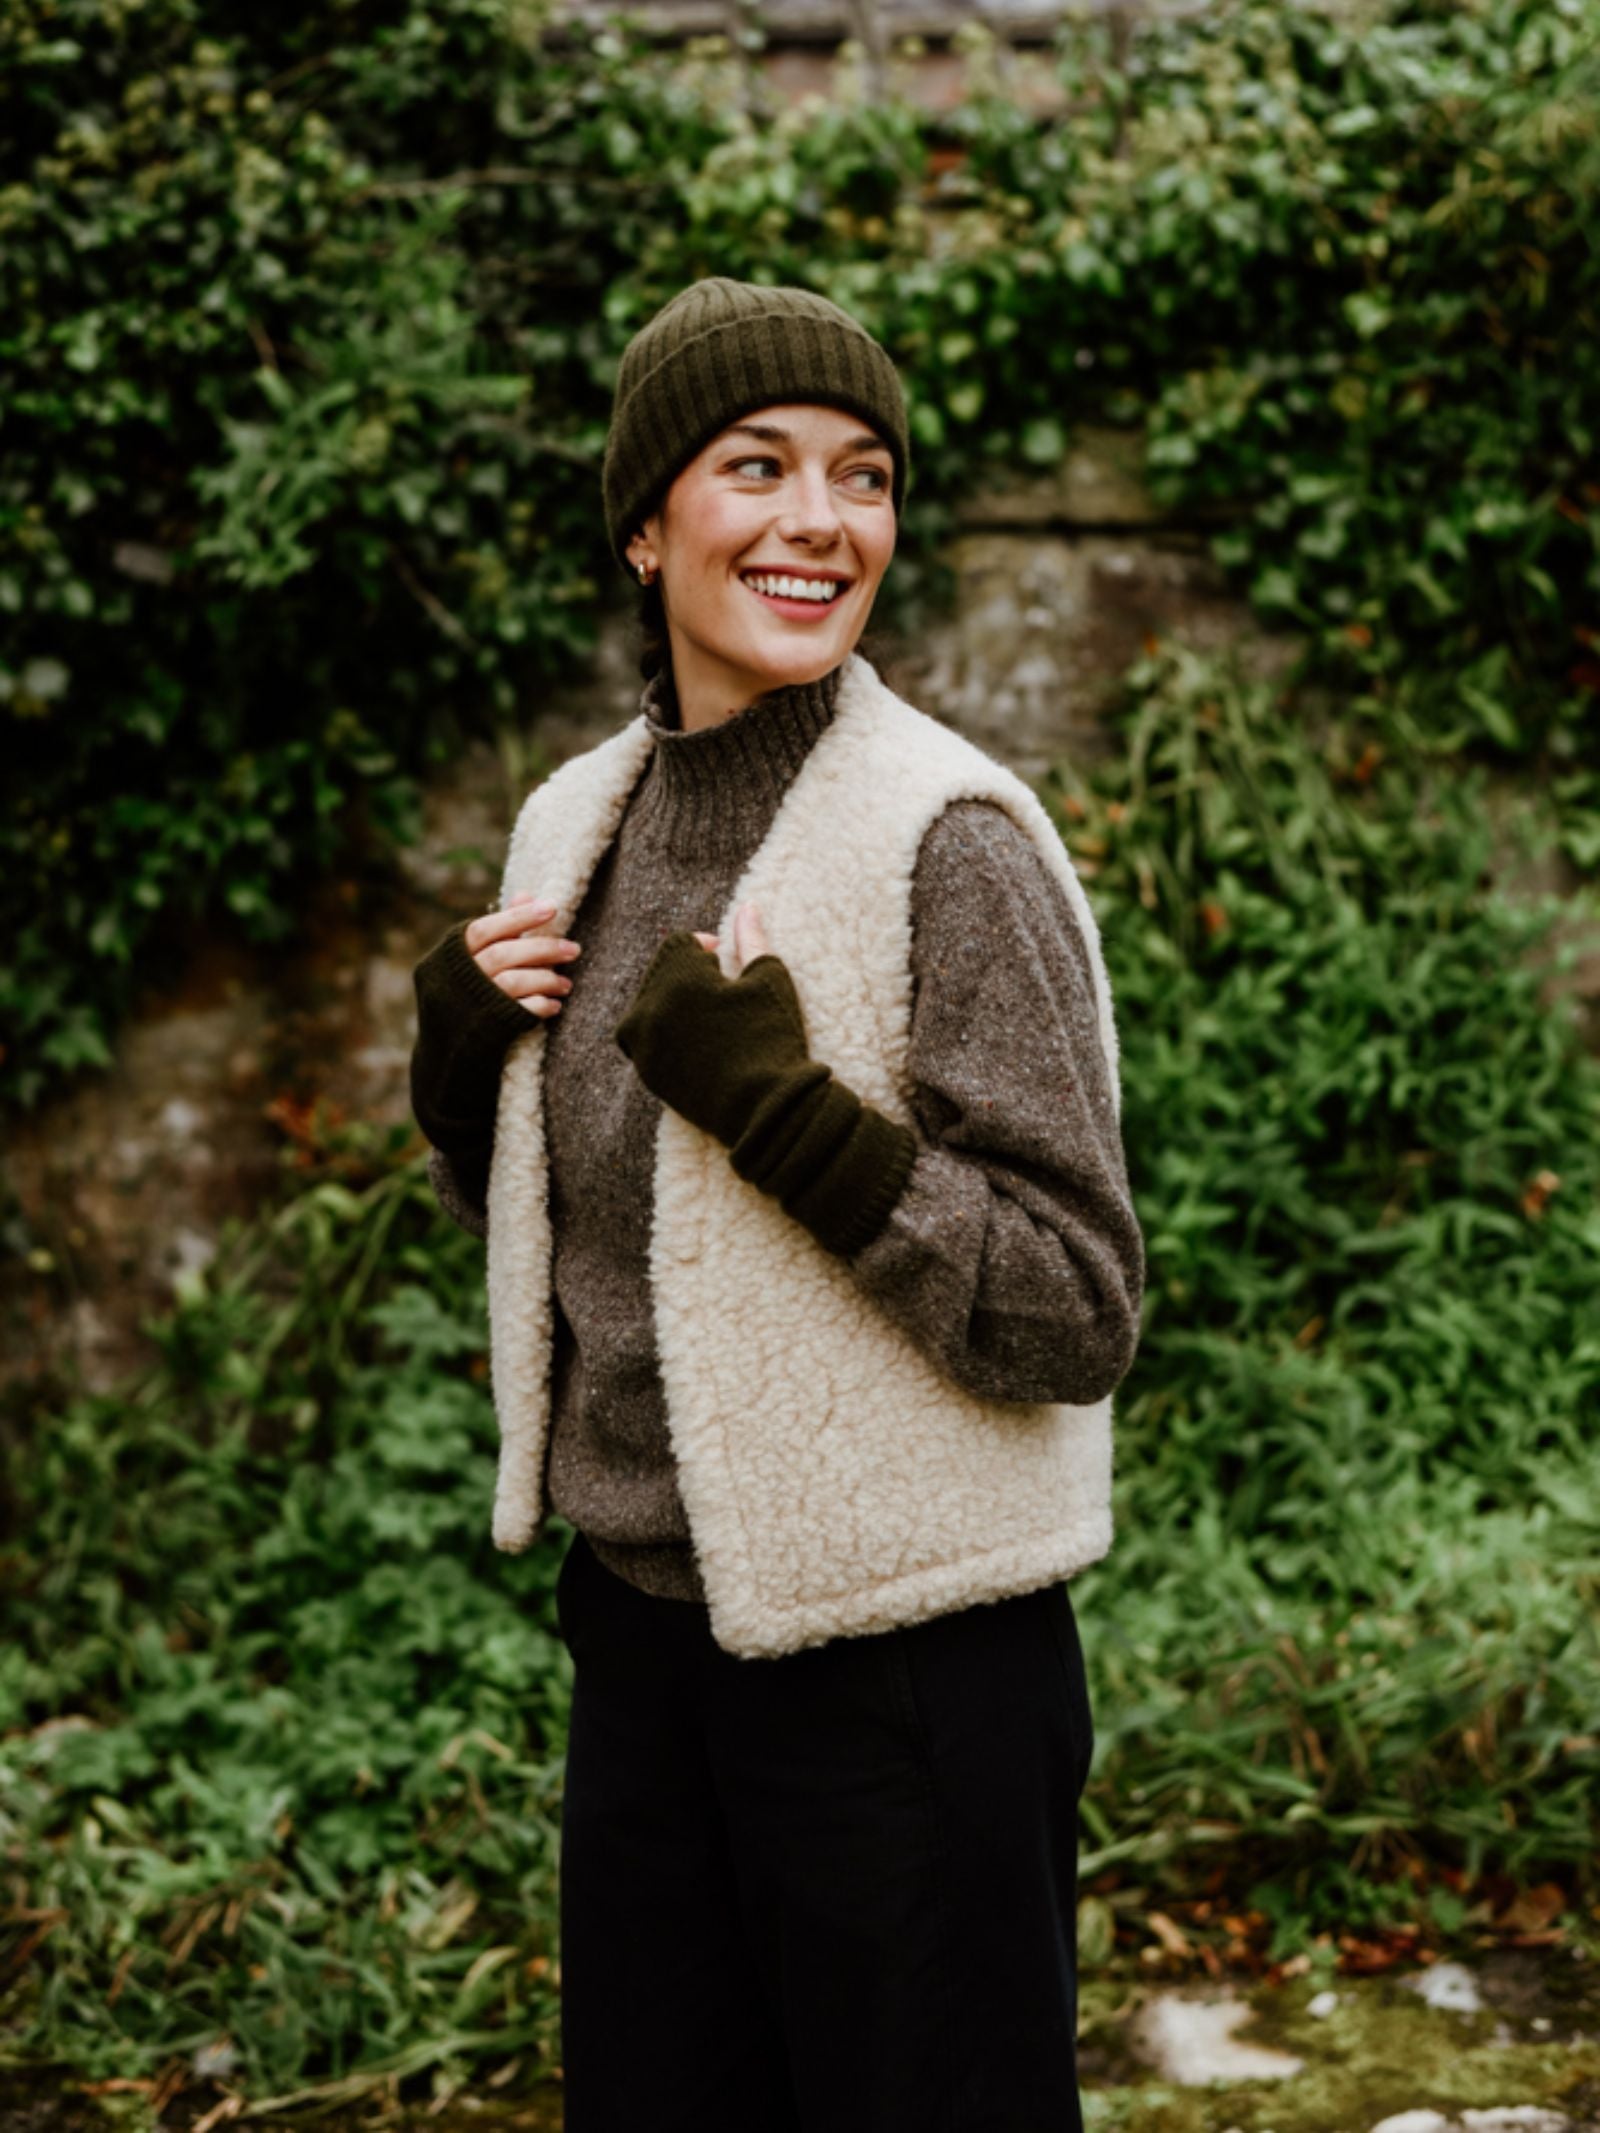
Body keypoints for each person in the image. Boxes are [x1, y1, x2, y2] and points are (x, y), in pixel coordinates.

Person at [409, 275, 1145, 2133]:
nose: (824, 520)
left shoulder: (948, 841)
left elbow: (1076, 1306)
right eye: (759, 467)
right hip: (644, 1650)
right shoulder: (576, 826)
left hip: (909, 1685)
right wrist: (453, 1064)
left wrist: (792, 1119)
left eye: (866, 474)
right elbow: (600, 1246)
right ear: (649, 522)